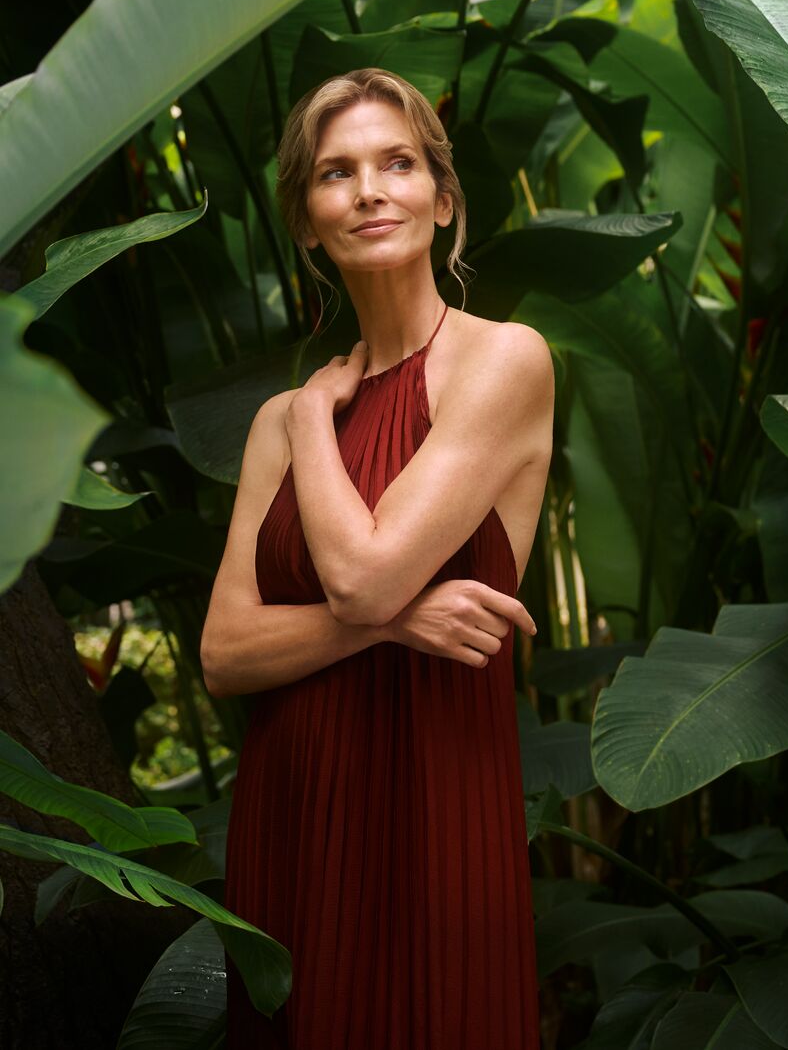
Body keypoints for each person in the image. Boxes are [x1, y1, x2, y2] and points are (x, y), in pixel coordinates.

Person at [199, 66, 554, 1048]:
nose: (368, 189)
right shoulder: (274, 421)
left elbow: (363, 574)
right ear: (307, 222)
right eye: (335, 172)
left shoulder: (503, 360)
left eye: (397, 163)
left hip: (435, 814)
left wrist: (318, 415)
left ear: (443, 201)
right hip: (294, 817)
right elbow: (225, 652)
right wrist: (400, 620)